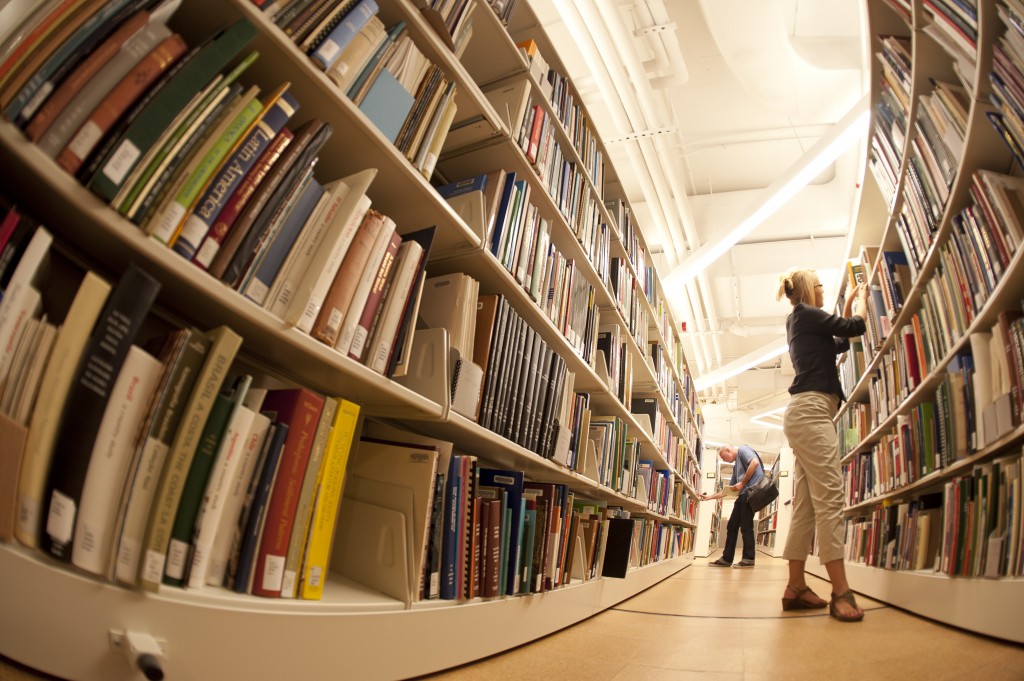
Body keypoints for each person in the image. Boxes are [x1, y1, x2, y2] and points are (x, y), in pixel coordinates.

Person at [776, 268, 868, 622]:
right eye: (820, 286)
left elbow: (839, 343)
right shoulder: (806, 314)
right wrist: (859, 304)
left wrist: (844, 305)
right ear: (805, 289)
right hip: (812, 412)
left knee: (807, 506)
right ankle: (841, 591)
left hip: (805, 415)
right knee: (830, 496)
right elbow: (854, 329)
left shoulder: (800, 321)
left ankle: (795, 586)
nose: (823, 290)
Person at [699, 444, 764, 568]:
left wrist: (742, 483)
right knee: (732, 526)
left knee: (746, 526)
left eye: (724, 457)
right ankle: (727, 559)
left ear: (728, 450)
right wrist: (710, 497)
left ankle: (749, 559)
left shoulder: (743, 450)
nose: (724, 460)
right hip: (743, 495)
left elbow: (754, 463)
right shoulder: (736, 468)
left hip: (751, 492)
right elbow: (728, 491)